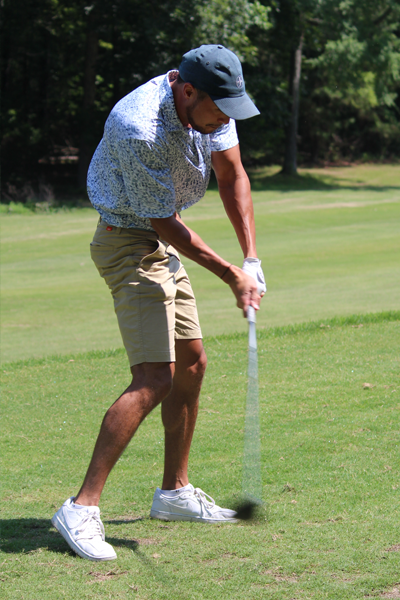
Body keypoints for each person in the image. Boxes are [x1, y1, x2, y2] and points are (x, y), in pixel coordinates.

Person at [51, 44, 266, 562]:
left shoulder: (213, 108)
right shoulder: (137, 126)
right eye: (218, 110)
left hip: (160, 244)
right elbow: (164, 222)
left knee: (192, 362)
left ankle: (174, 493)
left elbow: (232, 172)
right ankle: (80, 508)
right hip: (127, 240)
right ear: (187, 91)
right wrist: (230, 275)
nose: (222, 122)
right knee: (155, 375)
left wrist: (251, 257)